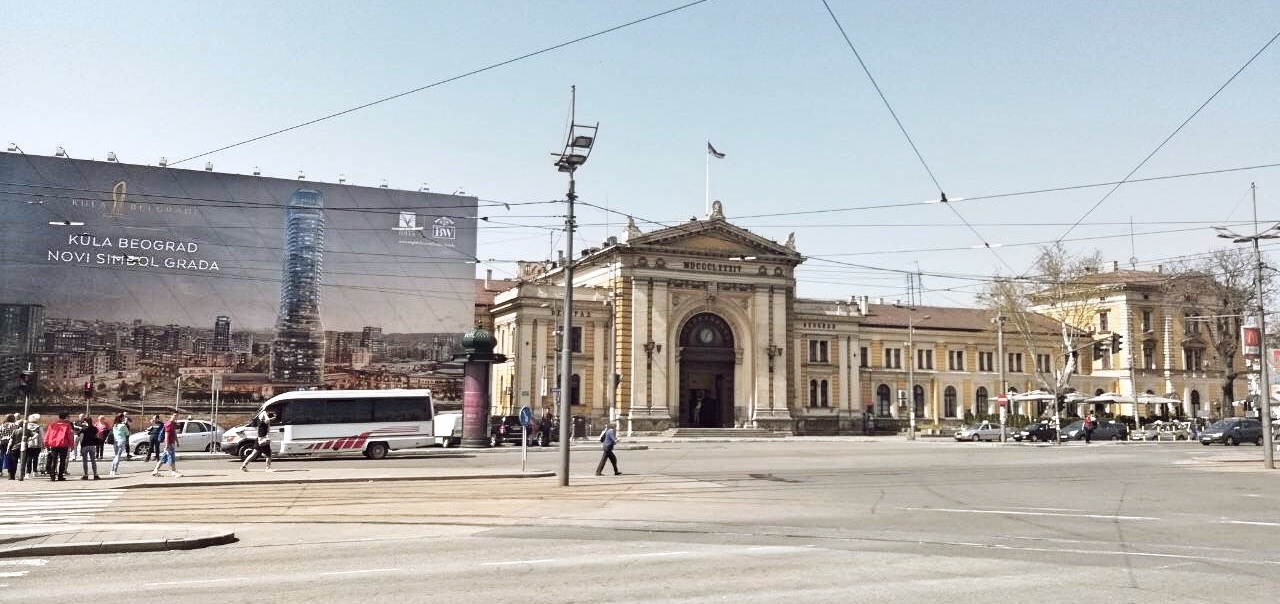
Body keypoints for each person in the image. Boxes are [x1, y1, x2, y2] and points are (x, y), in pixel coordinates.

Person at [43, 411, 75, 481]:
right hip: (64, 445)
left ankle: (52, 476)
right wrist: (72, 445)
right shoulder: (67, 426)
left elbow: (47, 435)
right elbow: (69, 436)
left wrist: (46, 444)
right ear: (66, 417)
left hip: (54, 444)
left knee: (54, 460)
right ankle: (60, 476)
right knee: (62, 461)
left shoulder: (52, 425)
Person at [151, 411, 182, 477]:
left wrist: (177, 441)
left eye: (177, 415)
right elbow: (166, 434)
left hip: (171, 443)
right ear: (171, 415)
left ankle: (155, 470)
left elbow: (174, 433)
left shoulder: (173, 424)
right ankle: (174, 472)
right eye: (174, 415)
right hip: (169, 443)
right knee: (172, 457)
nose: (176, 417)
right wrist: (167, 444)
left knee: (163, 458)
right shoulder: (169, 424)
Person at [77, 413, 101, 480]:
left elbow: (81, 438)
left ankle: (86, 475)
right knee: (93, 460)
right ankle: (95, 474)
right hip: (92, 446)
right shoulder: (94, 428)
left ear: (85, 422)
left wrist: (81, 447)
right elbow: (97, 436)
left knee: (85, 461)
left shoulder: (83, 429)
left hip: (84, 445)